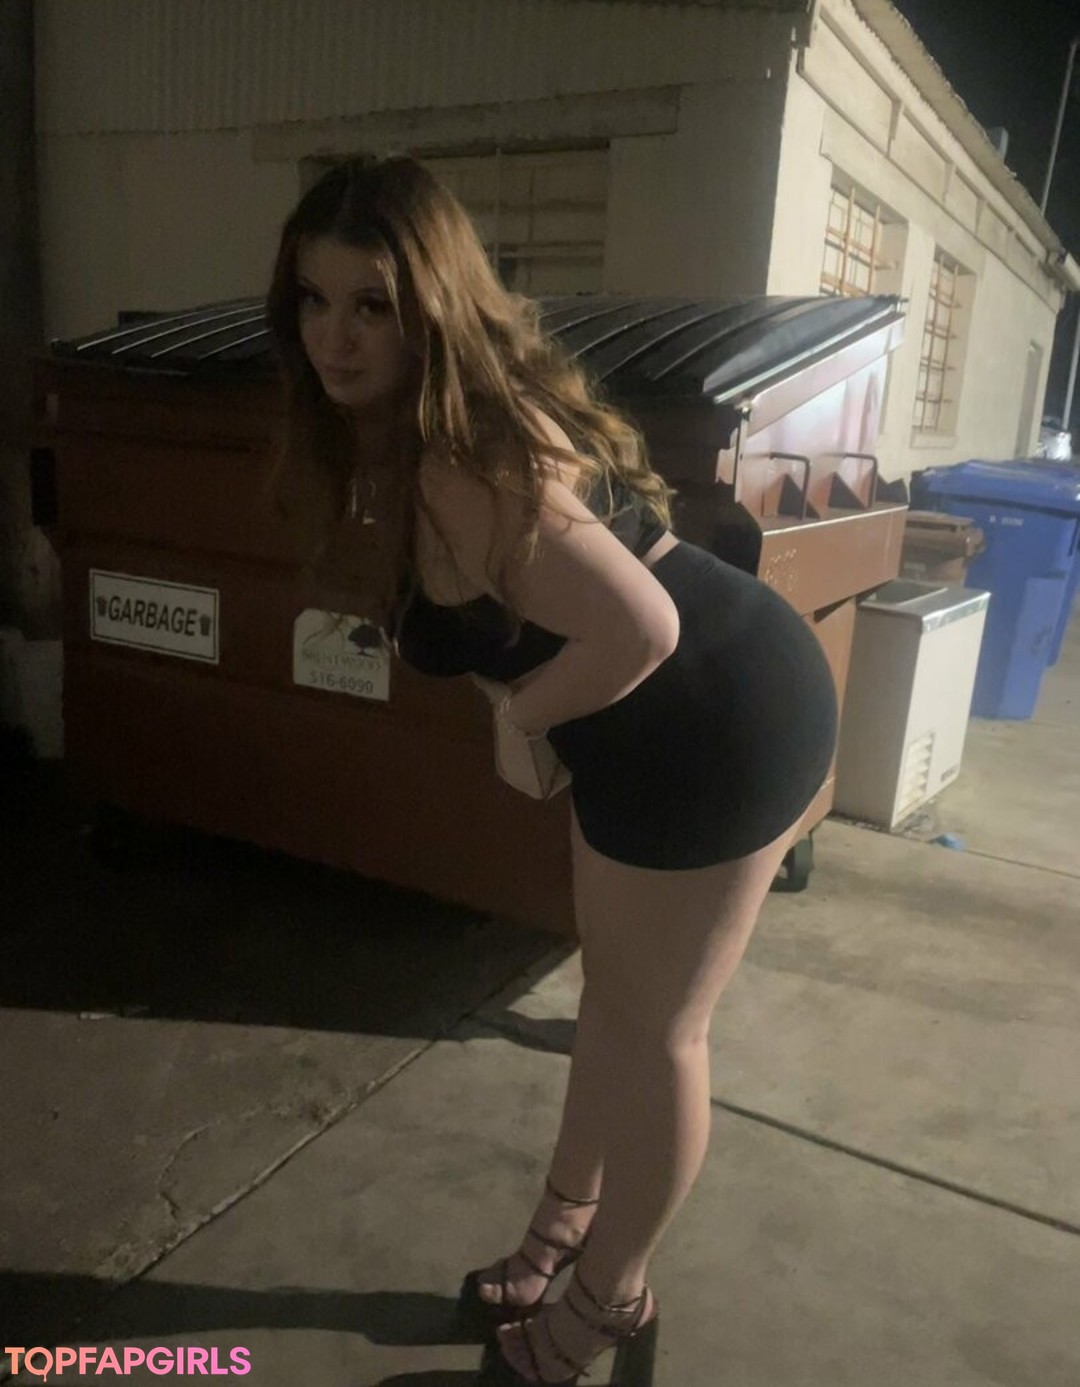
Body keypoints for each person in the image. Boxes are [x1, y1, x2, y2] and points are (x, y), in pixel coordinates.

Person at [266, 154, 838, 1387]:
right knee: (614, 1007)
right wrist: (535, 712)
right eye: (313, 300)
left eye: (371, 305)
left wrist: (518, 717)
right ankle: (560, 1232)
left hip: (716, 717)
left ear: (431, 304)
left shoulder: (458, 460)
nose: (334, 337)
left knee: (662, 1029)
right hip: (649, 721)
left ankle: (608, 1296)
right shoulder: (435, 422)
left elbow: (642, 627)